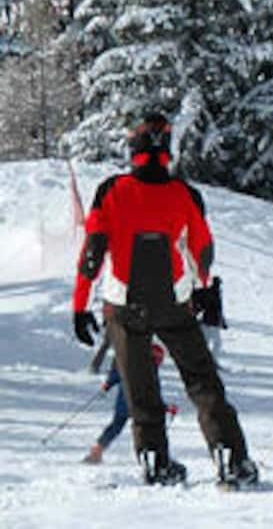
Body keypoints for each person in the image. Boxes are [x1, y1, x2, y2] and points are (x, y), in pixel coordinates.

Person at [72, 112, 256, 487]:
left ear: (132, 148)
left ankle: (155, 461)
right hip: (173, 301)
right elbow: (202, 248)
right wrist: (204, 287)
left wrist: (79, 305)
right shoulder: (184, 193)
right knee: (202, 382)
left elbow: (93, 251)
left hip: (122, 303)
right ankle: (229, 457)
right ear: (168, 149)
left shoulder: (111, 190)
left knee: (140, 390)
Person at [85, 338, 171, 464]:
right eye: (159, 359)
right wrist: (164, 407)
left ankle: (97, 450)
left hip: (123, 402)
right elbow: (153, 393)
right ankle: (149, 456)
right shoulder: (150, 371)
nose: (159, 363)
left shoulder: (132, 364)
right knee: (145, 428)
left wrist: (107, 385)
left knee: (116, 426)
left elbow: (117, 373)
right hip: (137, 404)